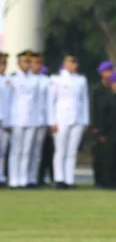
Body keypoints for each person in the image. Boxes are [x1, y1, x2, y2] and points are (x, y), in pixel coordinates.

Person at [49, 54, 90, 189]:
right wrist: (51, 121)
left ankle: (69, 179)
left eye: (76, 62)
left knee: (72, 151)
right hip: (61, 118)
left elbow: (84, 101)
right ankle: (59, 179)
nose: (74, 65)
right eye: (71, 62)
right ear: (65, 63)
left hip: (77, 118)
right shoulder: (56, 79)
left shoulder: (81, 80)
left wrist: (85, 120)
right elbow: (51, 101)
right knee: (60, 150)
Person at [6, 51, 36, 188]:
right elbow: (8, 101)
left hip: (31, 118)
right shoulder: (12, 79)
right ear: (19, 63)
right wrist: (8, 120)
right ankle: (14, 179)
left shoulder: (34, 79)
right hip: (16, 118)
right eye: (25, 61)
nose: (27, 64)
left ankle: (23, 179)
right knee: (15, 151)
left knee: (27, 151)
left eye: (29, 61)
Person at [88, 61, 114, 185]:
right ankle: (99, 180)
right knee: (99, 155)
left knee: (110, 155)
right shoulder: (97, 89)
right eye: (107, 71)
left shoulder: (113, 88)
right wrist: (94, 126)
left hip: (111, 127)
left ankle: (109, 179)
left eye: (111, 70)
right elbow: (93, 108)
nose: (109, 73)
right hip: (99, 126)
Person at [31, 55, 52, 187]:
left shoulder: (46, 80)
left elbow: (49, 103)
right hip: (24, 120)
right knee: (23, 151)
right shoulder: (18, 79)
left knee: (37, 152)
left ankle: (35, 178)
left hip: (41, 120)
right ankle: (20, 179)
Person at [0, 53, 11, 185]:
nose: (3, 66)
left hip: (5, 119)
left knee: (2, 150)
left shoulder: (9, 80)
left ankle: (1, 176)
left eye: (4, 64)